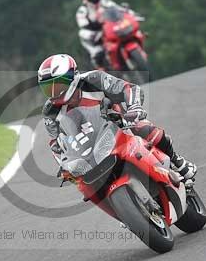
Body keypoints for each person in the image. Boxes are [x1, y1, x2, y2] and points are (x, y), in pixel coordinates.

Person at [37, 53, 196, 184]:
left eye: (58, 86)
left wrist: (134, 108)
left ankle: (177, 161)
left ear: (73, 76)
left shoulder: (94, 79)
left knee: (142, 127)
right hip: (88, 145)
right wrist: (63, 164)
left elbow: (128, 88)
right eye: (48, 88)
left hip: (119, 124)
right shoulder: (50, 110)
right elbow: (55, 143)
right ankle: (126, 212)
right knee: (82, 182)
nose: (54, 93)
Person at [76, 0, 143, 69]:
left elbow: (120, 10)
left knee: (133, 31)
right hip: (96, 34)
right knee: (96, 52)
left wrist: (132, 14)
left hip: (111, 28)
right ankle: (100, 68)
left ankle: (137, 53)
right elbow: (82, 24)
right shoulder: (82, 10)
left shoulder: (107, 3)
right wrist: (94, 26)